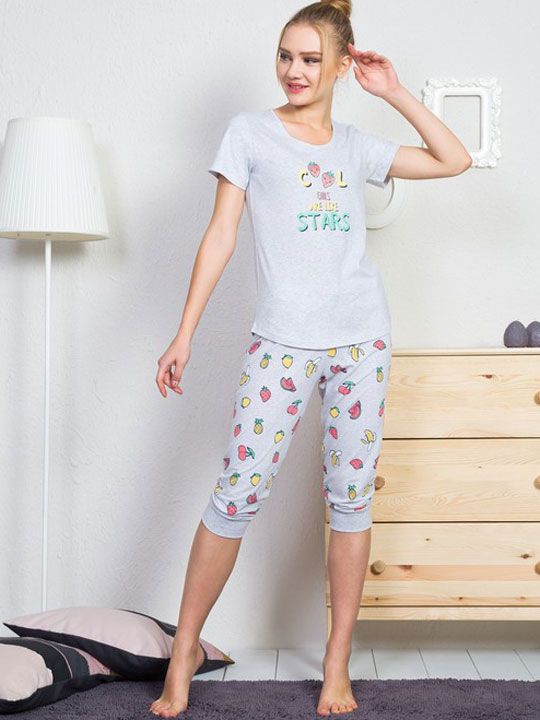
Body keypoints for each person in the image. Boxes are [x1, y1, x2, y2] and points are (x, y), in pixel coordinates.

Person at [150, 0, 472, 716]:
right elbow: (220, 235)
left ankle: (336, 665)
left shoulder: (356, 145)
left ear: (340, 65)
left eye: (310, 59)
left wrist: (393, 92)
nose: (294, 71)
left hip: (361, 342)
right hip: (282, 344)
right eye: (285, 56)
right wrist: (184, 332)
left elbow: (454, 160)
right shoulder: (250, 133)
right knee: (237, 493)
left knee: (350, 501)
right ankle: (183, 654)